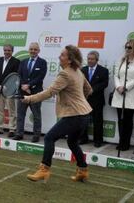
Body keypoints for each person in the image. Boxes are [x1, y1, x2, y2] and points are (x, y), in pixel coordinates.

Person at [22, 45, 92, 183]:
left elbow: (49, 92)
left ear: (70, 60)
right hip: (84, 115)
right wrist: (78, 101)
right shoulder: (78, 71)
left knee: (49, 138)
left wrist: (28, 99)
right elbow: (89, 90)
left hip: (75, 115)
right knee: (72, 142)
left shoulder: (65, 74)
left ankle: (44, 169)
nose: (59, 57)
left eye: (63, 55)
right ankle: (83, 170)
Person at [111, 39, 134, 151]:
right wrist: (118, 87)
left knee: (127, 120)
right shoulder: (121, 61)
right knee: (120, 120)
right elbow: (116, 76)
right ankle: (121, 142)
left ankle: (126, 144)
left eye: (129, 47)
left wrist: (125, 87)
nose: (127, 49)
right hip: (119, 94)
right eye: (126, 47)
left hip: (130, 95)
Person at [15, 42, 47, 142]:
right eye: (31, 49)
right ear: (28, 50)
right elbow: (19, 75)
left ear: (38, 51)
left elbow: (41, 76)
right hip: (22, 92)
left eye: (35, 49)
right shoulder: (23, 62)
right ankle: (19, 133)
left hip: (36, 93)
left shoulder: (42, 62)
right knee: (20, 114)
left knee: (36, 115)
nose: (33, 51)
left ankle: (36, 135)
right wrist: (23, 86)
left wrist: (29, 85)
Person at [80, 51, 109, 147]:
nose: (90, 61)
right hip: (84, 99)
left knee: (97, 121)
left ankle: (98, 140)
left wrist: (92, 90)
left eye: (92, 59)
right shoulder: (82, 70)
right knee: (83, 120)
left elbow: (104, 84)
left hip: (97, 100)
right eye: (88, 59)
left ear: (97, 60)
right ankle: (83, 138)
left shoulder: (103, 70)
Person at [0, 44, 20, 137]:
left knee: (11, 111)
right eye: (5, 50)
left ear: (12, 51)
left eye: (9, 50)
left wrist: (7, 87)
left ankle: (12, 129)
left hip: (9, 91)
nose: (7, 52)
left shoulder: (16, 62)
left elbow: (16, 77)